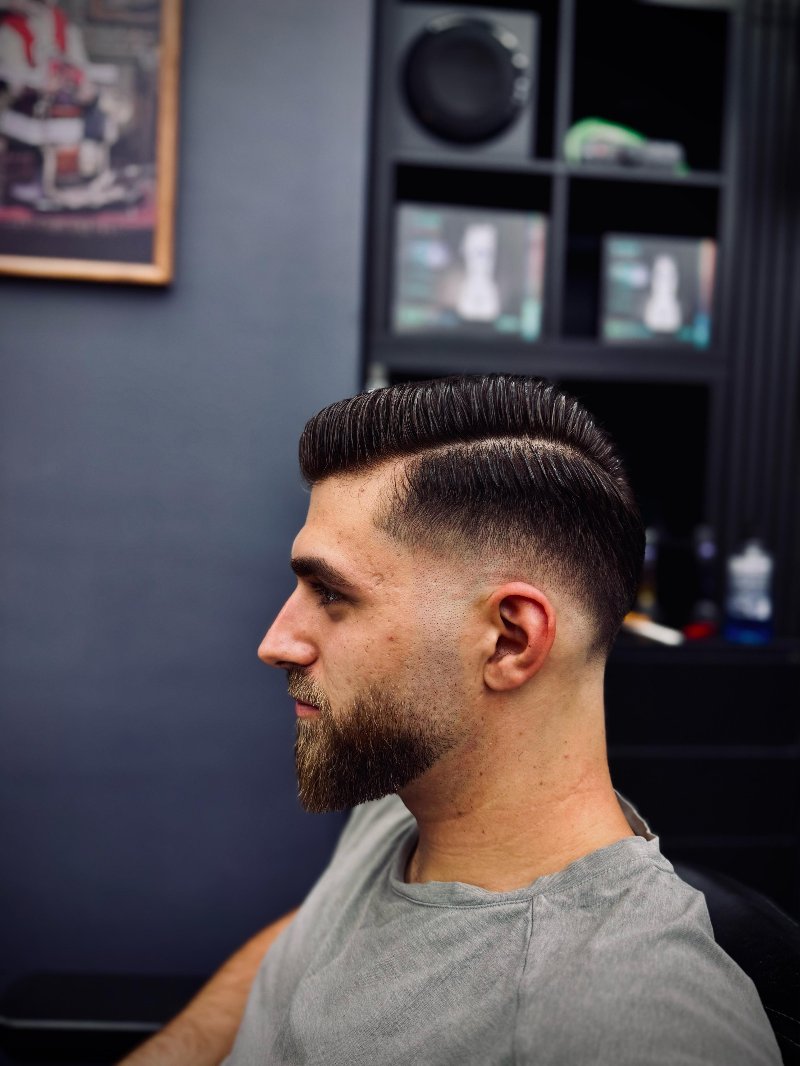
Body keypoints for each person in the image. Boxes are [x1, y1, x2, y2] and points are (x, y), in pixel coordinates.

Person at [121, 374, 781, 1066]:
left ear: (509, 640)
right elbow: (305, 944)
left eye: (330, 593)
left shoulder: (633, 1022)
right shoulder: (405, 793)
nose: (275, 642)